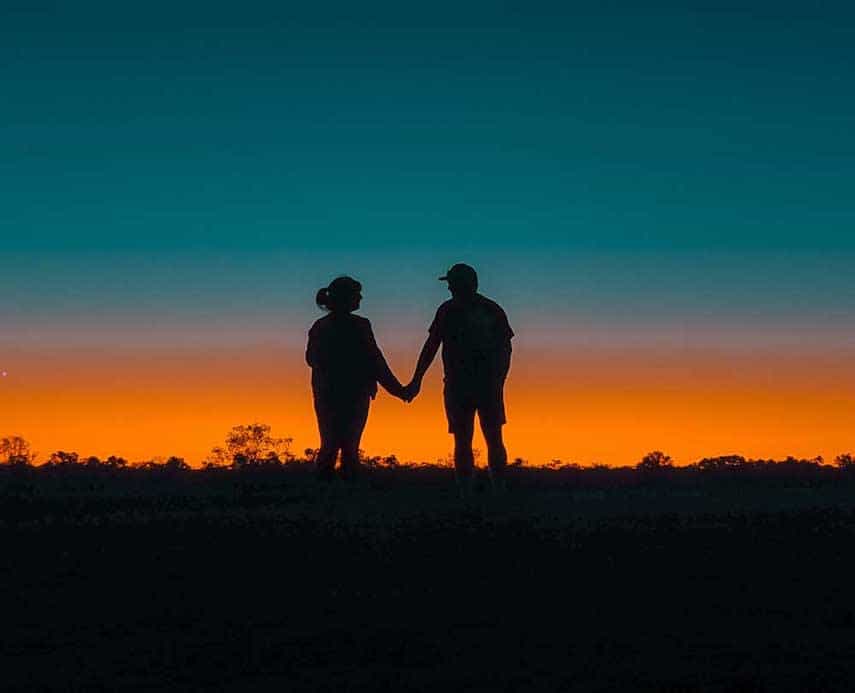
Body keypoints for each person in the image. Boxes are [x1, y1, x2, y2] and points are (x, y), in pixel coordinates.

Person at [405, 263, 513, 494]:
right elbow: (432, 346)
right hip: (464, 385)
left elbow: (505, 349)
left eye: (452, 283)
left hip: (473, 385)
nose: (450, 288)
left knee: (483, 438)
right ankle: (477, 490)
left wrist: (498, 379)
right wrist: (417, 379)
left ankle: (489, 490)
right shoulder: (458, 310)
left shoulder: (481, 310)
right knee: (473, 439)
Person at [306, 276, 406, 480]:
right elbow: (376, 361)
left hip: (325, 393)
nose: (361, 297)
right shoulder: (359, 325)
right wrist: (399, 390)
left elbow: (311, 359)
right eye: (356, 293)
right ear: (347, 297)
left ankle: (323, 495)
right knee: (349, 447)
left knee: (329, 445)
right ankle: (346, 496)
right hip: (353, 393)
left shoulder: (320, 326)